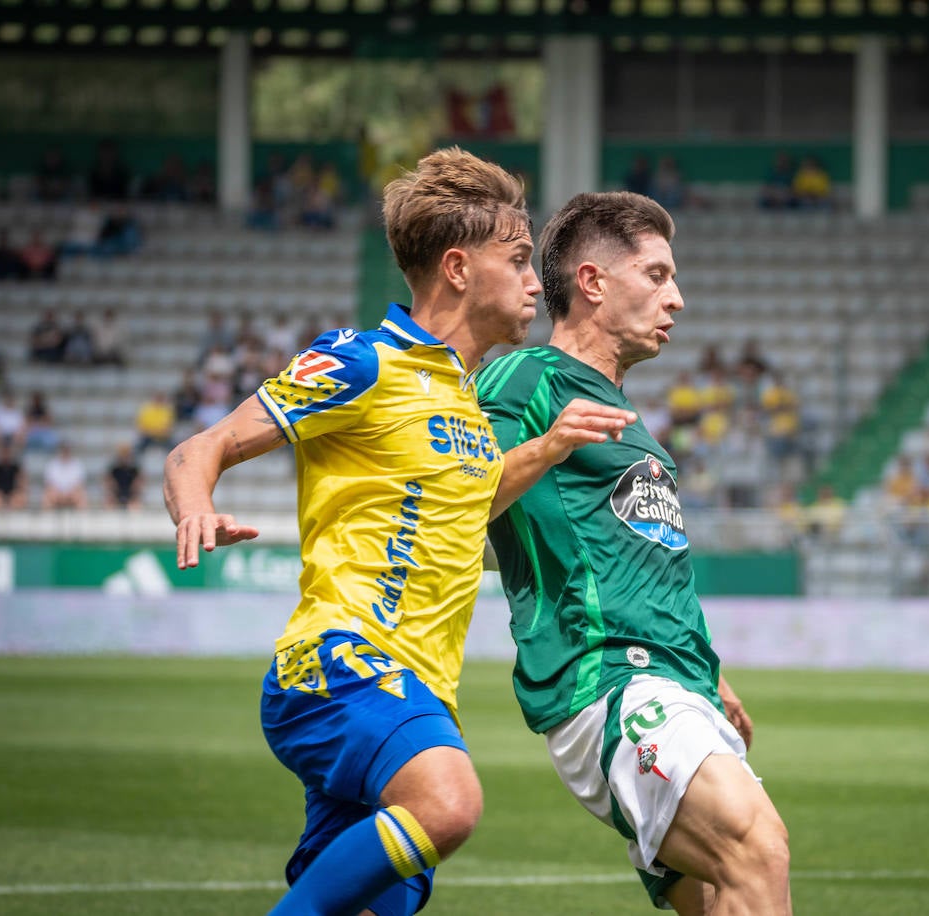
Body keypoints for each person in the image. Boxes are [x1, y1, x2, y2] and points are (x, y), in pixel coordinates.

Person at [162, 147, 633, 916]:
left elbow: (465, 507)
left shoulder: (469, 401)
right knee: (448, 805)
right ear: (456, 268)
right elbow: (196, 449)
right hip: (340, 665)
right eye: (517, 259)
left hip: (417, 691)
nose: (532, 281)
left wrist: (548, 448)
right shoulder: (362, 362)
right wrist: (196, 507)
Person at [478, 191, 791, 914]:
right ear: (592, 283)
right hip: (609, 679)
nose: (677, 298)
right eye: (657, 275)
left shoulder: (632, 424)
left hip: (675, 681)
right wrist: (548, 445)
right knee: (758, 847)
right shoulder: (525, 380)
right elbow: (455, 503)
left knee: (722, 893)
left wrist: (711, 673)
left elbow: (646, 566)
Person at [41, 441, 89, 510]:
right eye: (64, 450)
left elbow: (79, 484)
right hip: (56, 493)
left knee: (82, 496)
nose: (65, 452)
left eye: (67, 450)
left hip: (72, 493)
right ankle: (46, 519)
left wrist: (69, 493)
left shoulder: (77, 464)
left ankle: (82, 519)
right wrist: (59, 493)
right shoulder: (52, 464)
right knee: (47, 496)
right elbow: (49, 484)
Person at [104, 443, 143, 510]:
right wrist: (112, 494)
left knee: (135, 507)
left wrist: (134, 495)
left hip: (130, 495)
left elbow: (138, 485)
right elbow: (108, 483)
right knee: (108, 505)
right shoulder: (114, 470)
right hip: (116, 495)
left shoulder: (134, 470)